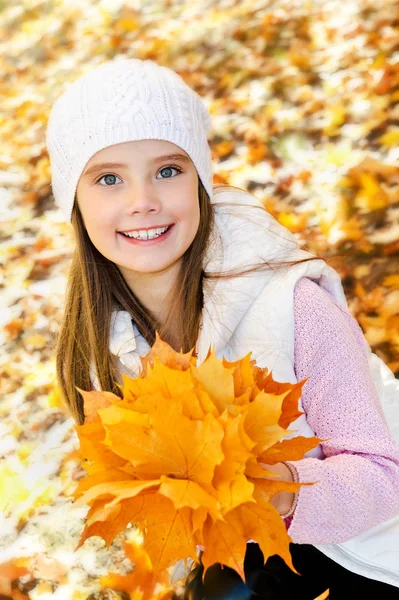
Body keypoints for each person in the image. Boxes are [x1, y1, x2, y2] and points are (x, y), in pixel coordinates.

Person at [46, 57, 399, 599]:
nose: (142, 201)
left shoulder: (293, 306)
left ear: (201, 180)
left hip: (374, 543)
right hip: (267, 536)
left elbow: (384, 478)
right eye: (109, 178)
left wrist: (281, 493)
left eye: (168, 171)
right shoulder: (102, 334)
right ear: (74, 199)